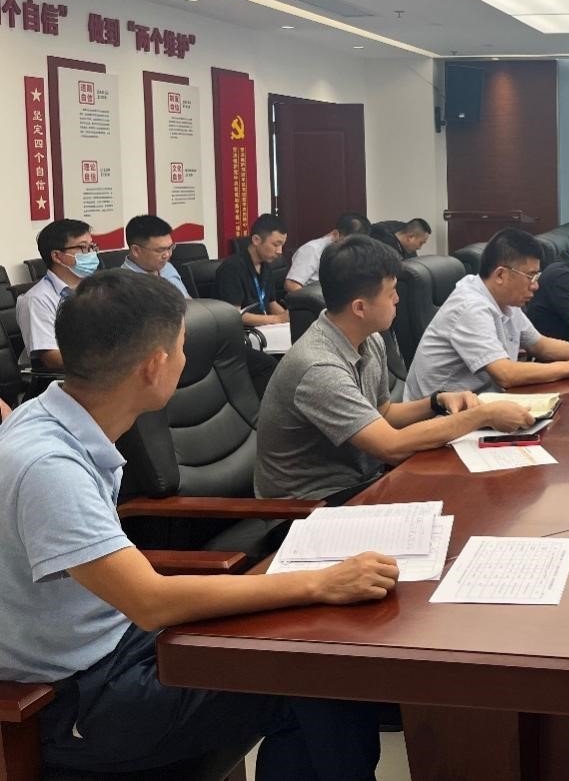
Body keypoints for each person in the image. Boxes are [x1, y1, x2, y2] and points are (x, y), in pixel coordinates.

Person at [0, 270, 393, 778]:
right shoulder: (50, 466)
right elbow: (151, 601)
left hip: (120, 642)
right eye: (183, 348)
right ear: (155, 365)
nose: (186, 361)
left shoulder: (54, 418)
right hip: (81, 696)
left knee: (310, 646)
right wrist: (321, 582)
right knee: (317, 673)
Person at [256, 236, 534, 504]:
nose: (398, 299)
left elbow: (384, 413)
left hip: (363, 485)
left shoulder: (369, 339)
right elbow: (392, 446)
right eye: (391, 293)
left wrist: (437, 402)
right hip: (311, 506)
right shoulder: (319, 367)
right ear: (360, 308)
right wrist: (482, 415)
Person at [405, 228, 569, 398]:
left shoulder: (504, 301)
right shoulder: (470, 306)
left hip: (484, 403)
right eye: (531, 276)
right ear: (500, 275)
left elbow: (539, 345)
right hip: (443, 418)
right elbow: (505, 374)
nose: (535, 286)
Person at [15, 218, 96, 370]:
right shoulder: (37, 300)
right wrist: (106, 363)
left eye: (92, 247)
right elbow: (52, 359)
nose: (91, 253)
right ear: (57, 256)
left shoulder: (97, 288)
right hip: (67, 378)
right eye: (83, 248)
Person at [216, 213, 289, 327]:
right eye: (275, 245)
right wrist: (278, 319)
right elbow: (235, 314)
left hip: (264, 327)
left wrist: (289, 318)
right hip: (241, 331)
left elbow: (271, 304)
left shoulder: (266, 266)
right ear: (256, 240)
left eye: (282, 245)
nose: (280, 251)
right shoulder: (232, 268)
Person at [284, 211, 371, 291]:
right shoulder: (311, 250)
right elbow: (291, 285)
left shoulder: (348, 252)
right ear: (336, 234)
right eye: (349, 242)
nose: (352, 248)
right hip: (313, 300)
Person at [122, 214, 189, 297]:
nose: (167, 255)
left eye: (170, 248)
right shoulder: (123, 285)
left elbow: (188, 300)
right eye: (160, 250)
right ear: (136, 250)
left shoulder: (166, 266)